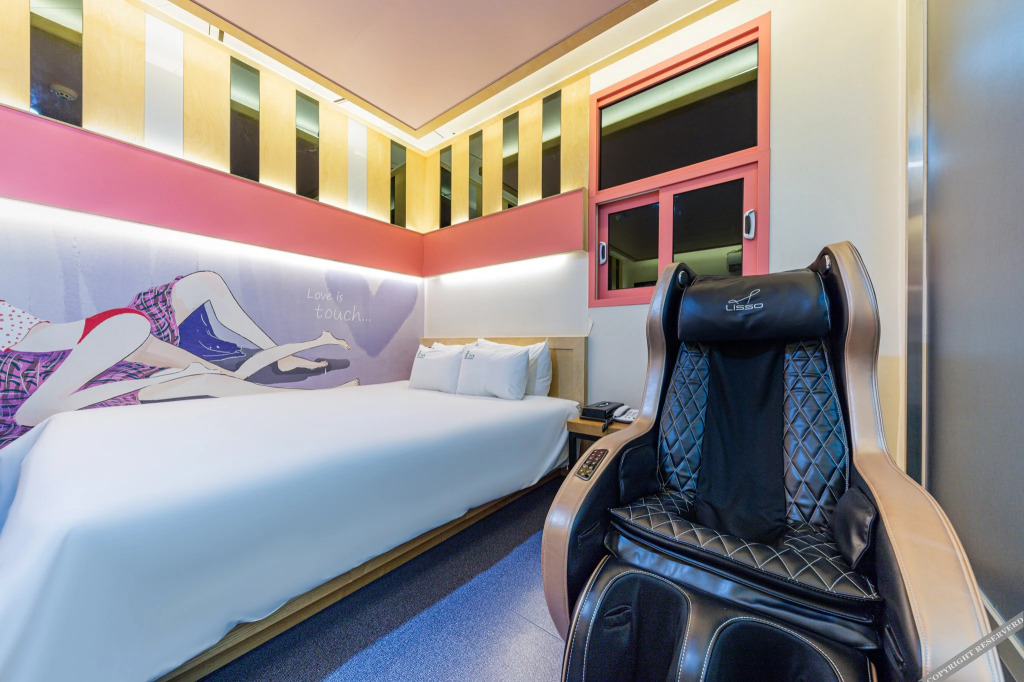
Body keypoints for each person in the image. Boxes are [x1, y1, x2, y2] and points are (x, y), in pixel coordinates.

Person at [0, 271, 357, 449]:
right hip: (51, 372)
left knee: (206, 286)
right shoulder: (119, 333)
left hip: (86, 343)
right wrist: (155, 379)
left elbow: (135, 345)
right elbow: (31, 413)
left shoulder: (123, 329)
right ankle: (314, 401)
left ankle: (283, 363)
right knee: (205, 379)